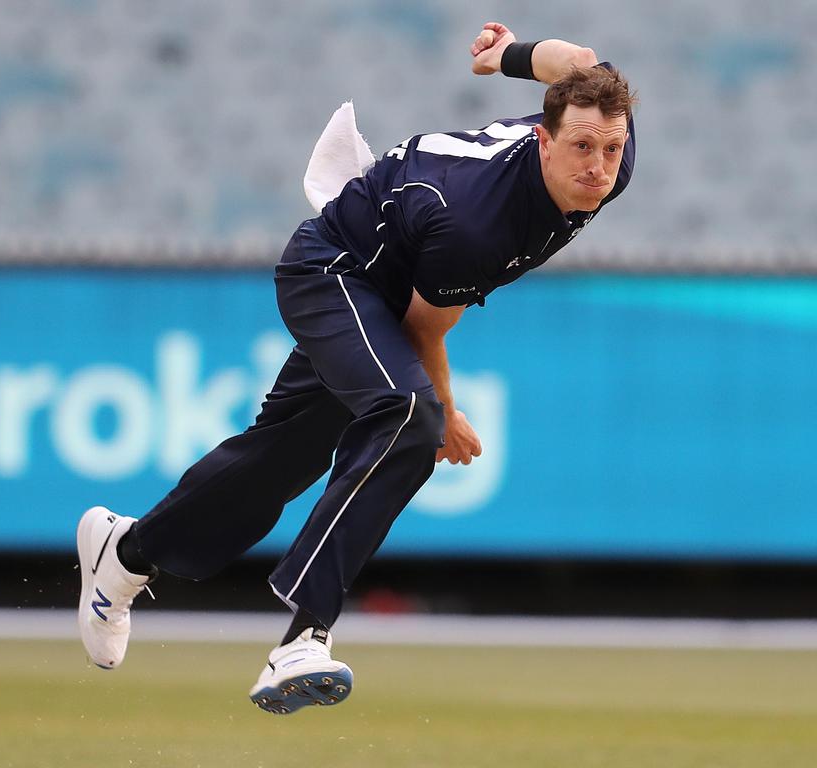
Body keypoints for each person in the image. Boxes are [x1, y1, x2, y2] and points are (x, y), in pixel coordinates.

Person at [77, 22, 637, 715]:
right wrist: (448, 414)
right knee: (411, 413)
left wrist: (509, 54)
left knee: (279, 461)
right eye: (581, 147)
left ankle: (125, 553)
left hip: (388, 276)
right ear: (542, 141)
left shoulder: (608, 147)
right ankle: (305, 635)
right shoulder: (475, 224)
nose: (599, 167)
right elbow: (426, 329)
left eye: (611, 148)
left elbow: (576, 63)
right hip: (335, 271)